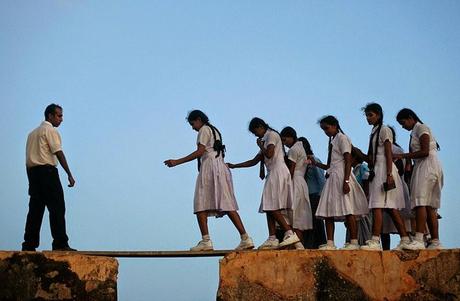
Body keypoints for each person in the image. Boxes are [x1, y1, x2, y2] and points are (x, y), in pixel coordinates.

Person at [164, 110, 254, 251]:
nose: (193, 128)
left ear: (199, 119)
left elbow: (200, 152)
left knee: (200, 202)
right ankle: (245, 237)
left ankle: (206, 240)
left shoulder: (204, 130)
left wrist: (177, 161)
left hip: (211, 167)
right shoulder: (215, 130)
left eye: (193, 124)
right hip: (220, 166)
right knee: (226, 203)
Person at [227, 117, 299, 249]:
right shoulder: (267, 139)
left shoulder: (271, 135)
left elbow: (270, 154)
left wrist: (260, 145)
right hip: (273, 173)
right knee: (268, 206)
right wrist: (234, 166)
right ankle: (272, 237)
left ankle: (289, 232)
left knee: (271, 206)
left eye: (255, 132)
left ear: (260, 127)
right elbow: (254, 161)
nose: (256, 135)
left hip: (278, 172)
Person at [355, 103, 412, 251]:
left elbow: (388, 152)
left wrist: (389, 175)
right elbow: (370, 158)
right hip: (377, 169)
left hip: (384, 170)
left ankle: (374, 240)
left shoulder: (385, 130)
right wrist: (355, 150)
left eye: (371, 115)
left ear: (378, 115)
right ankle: (405, 238)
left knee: (378, 206)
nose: (368, 118)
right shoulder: (374, 132)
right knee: (389, 207)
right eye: (367, 115)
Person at [22, 104, 76, 251]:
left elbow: (28, 159)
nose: (61, 119)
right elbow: (58, 152)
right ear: (50, 116)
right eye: (59, 116)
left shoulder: (31, 134)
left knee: (35, 210)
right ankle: (60, 243)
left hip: (33, 174)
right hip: (48, 172)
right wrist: (69, 174)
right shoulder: (49, 130)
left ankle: (29, 244)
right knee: (57, 207)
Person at [309, 115, 368, 250]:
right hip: (332, 177)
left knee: (348, 209)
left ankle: (354, 241)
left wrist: (346, 180)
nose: (326, 132)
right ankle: (330, 242)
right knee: (328, 210)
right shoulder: (333, 141)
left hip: (341, 176)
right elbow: (330, 165)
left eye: (327, 128)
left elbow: (348, 160)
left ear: (335, 126)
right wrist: (316, 163)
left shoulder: (342, 138)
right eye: (324, 129)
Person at [394, 108, 443, 250]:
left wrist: (402, 156)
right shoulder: (414, 132)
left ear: (410, 118)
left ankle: (419, 239)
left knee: (421, 203)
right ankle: (435, 241)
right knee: (428, 206)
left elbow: (424, 151)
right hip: (426, 167)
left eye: (403, 123)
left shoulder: (421, 128)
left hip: (427, 166)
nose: (403, 126)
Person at [280, 127, 313, 250]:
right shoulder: (301, 148)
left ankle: (296, 246)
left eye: (285, 140)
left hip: (294, 182)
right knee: (299, 217)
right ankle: (298, 246)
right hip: (301, 183)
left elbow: (291, 170)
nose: (284, 143)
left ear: (291, 137)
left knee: (294, 217)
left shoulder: (293, 149)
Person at [380, 126, 413, 250]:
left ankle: (405, 242)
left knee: (396, 214)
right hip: (389, 182)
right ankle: (388, 248)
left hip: (394, 183)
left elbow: (399, 169)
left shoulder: (396, 149)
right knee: (384, 221)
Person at [300, 137, 327, 249]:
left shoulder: (314, 160)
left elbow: (321, 179)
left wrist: (321, 195)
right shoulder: (302, 162)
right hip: (305, 195)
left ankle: (318, 243)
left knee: (316, 221)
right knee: (307, 221)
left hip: (315, 195)